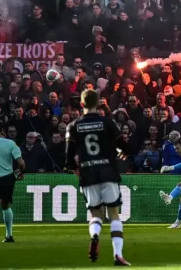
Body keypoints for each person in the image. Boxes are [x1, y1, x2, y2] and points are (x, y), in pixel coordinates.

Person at [65, 89, 131, 266]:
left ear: (82, 104)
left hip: (88, 172)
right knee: (114, 213)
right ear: (98, 103)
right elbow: (123, 144)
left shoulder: (73, 125)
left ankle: (95, 235)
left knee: (95, 213)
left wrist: (75, 169)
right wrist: (123, 152)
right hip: (108, 170)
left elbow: (68, 155)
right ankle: (118, 254)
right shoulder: (107, 122)